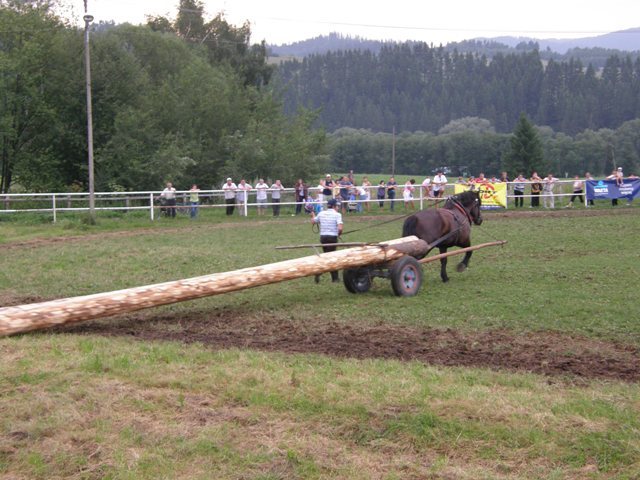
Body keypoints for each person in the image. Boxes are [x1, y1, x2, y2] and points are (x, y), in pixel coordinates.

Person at [311, 198, 343, 283]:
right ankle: (332, 277)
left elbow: (313, 221)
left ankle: (326, 274)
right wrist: (339, 234)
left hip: (323, 238)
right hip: (332, 238)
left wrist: (313, 214)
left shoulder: (321, 213)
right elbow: (340, 228)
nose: (337, 207)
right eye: (337, 206)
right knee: (331, 257)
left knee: (326, 256)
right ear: (333, 206)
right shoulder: (337, 214)